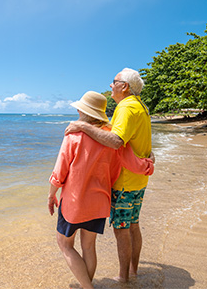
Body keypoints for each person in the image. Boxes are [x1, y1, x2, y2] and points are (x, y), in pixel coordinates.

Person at [48, 90, 154, 288]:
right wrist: (149, 163)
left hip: (74, 201)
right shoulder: (111, 139)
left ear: (83, 111)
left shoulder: (74, 135)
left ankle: (87, 287)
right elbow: (129, 164)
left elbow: (59, 172)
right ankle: (86, 285)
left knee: (64, 245)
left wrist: (51, 194)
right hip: (100, 201)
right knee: (88, 247)